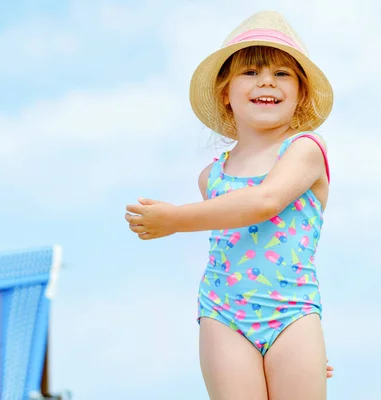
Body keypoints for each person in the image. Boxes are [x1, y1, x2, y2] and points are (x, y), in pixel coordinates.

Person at [126, 10, 335, 400]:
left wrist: (174, 219)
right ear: (226, 91)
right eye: (251, 72)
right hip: (223, 314)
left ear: (301, 92)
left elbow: (264, 201)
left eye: (282, 73)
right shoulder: (211, 176)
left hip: (291, 312)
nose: (267, 81)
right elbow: (230, 221)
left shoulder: (305, 150)